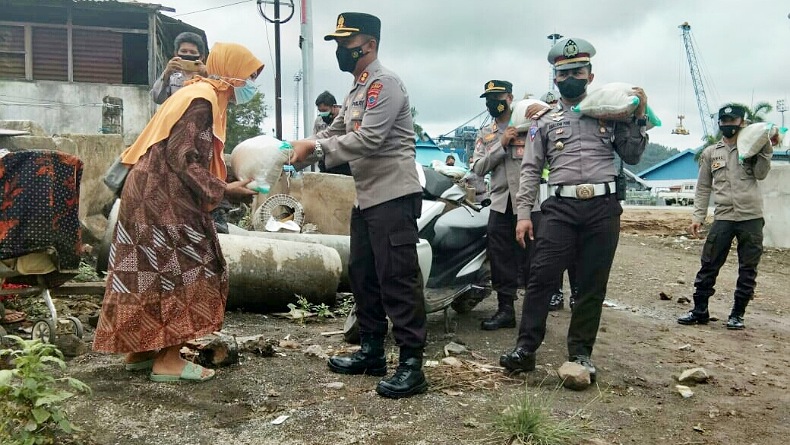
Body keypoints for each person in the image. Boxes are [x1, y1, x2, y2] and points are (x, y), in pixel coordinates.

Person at [93, 43, 263, 382]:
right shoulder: (202, 101)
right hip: (164, 196)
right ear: (230, 72)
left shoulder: (193, 93)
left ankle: (140, 349)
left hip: (146, 191)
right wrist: (224, 190)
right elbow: (182, 155)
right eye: (248, 76)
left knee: (143, 271)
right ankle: (169, 359)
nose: (249, 85)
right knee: (193, 268)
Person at [289, 13, 427, 399]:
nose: (339, 51)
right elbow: (333, 133)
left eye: (344, 44)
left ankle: (412, 365)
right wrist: (300, 147)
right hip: (367, 197)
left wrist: (315, 149)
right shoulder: (356, 91)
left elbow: (370, 139)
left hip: (394, 196)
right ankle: (371, 351)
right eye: (335, 44)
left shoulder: (386, 85)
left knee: (398, 277)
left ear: (368, 45)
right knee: (363, 275)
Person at [500, 38, 648, 381]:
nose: (571, 77)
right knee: (540, 278)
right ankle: (526, 349)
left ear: (590, 76)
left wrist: (638, 118)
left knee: (591, 285)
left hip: (603, 208)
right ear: (555, 78)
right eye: (563, 72)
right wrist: (523, 214)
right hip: (560, 208)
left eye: (577, 71)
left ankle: (580, 354)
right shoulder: (544, 120)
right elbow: (531, 170)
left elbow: (633, 155)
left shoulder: (611, 114)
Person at [677, 104, 772, 330]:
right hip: (724, 217)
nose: (728, 124)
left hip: (751, 217)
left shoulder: (751, 148)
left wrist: (765, 149)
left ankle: (737, 314)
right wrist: (697, 216)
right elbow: (702, 188)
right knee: (709, 263)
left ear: (742, 122)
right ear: (720, 123)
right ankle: (700, 311)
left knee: (748, 268)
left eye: (733, 120)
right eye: (725, 120)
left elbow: (760, 174)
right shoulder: (711, 152)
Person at [470, 80, 527, 331]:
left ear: (510, 97)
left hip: (529, 204)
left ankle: (538, 310)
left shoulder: (528, 126)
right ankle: (506, 310)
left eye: (497, 97)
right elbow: (477, 168)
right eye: (488, 99)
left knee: (534, 259)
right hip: (500, 204)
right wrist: (501, 144)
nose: (492, 103)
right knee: (500, 259)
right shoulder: (486, 134)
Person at [151, 32, 209, 105]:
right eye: (183, 51)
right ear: (176, 54)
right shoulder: (172, 79)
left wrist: (207, 78)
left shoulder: (207, 78)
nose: (188, 54)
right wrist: (166, 74)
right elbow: (157, 99)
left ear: (201, 57)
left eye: (193, 52)